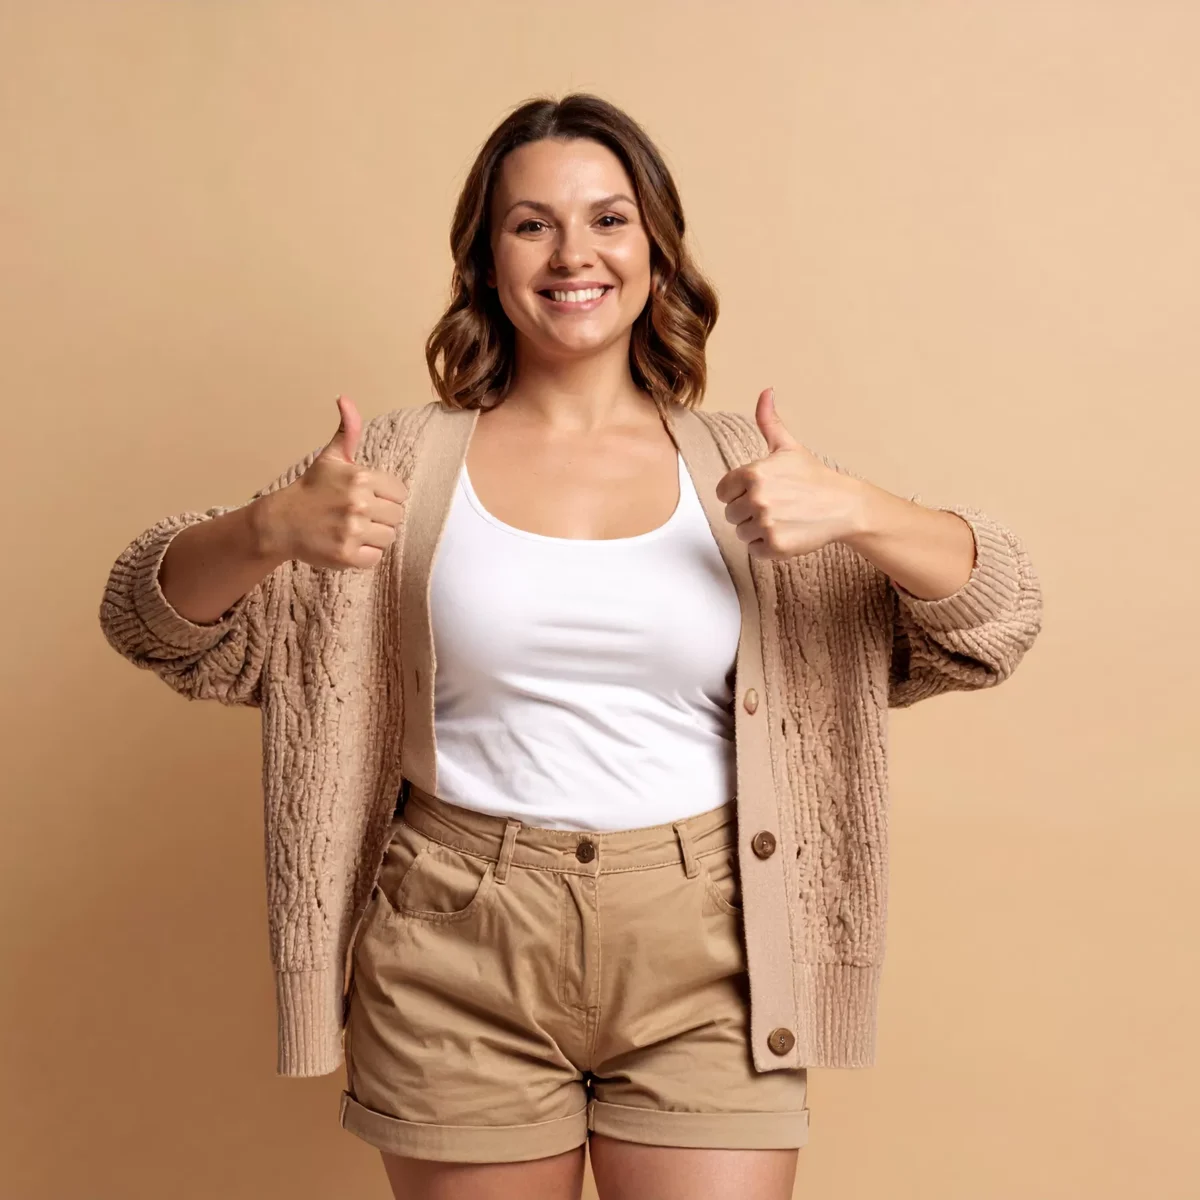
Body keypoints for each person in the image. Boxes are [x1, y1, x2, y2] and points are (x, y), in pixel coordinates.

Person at [99, 93, 1043, 1200]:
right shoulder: (393, 467)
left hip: (715, 943)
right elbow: (148, 621)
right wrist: (265, 532)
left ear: (657, 250)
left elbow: (997, 619)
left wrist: (861, 511)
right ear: (486, 259)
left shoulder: (748, 471)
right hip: (457, 937)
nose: (572, 255)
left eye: (608, 219)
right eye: (531, 224)